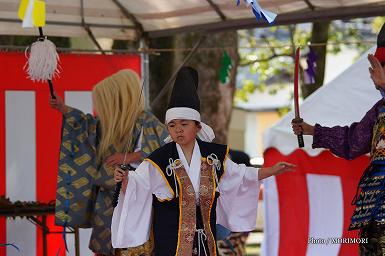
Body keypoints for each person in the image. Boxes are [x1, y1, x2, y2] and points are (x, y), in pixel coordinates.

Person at [112, 66, 295, 255]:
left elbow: (242, 174)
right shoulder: (159, 159)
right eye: (172, 125)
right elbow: (138, 184)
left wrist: (272, 170)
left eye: (184, 124)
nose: (178, 130)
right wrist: (125, 178)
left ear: (198, 127)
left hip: (205, 241)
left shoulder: (214, 156)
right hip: (170, 243)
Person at [49, 69, 168, 256]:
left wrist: (129, 157)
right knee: (105, 248)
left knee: (134, 249)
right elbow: (85, 125)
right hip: (106, 201)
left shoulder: (146, 121)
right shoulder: (107, 125)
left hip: (137, 201)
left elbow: (165, 151)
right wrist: (63, 108)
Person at [292, 24, 385, 255]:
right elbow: (354, 142)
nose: (372, 74)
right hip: (375, 209)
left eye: (377, 67)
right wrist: (313, 130)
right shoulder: (379, 110)